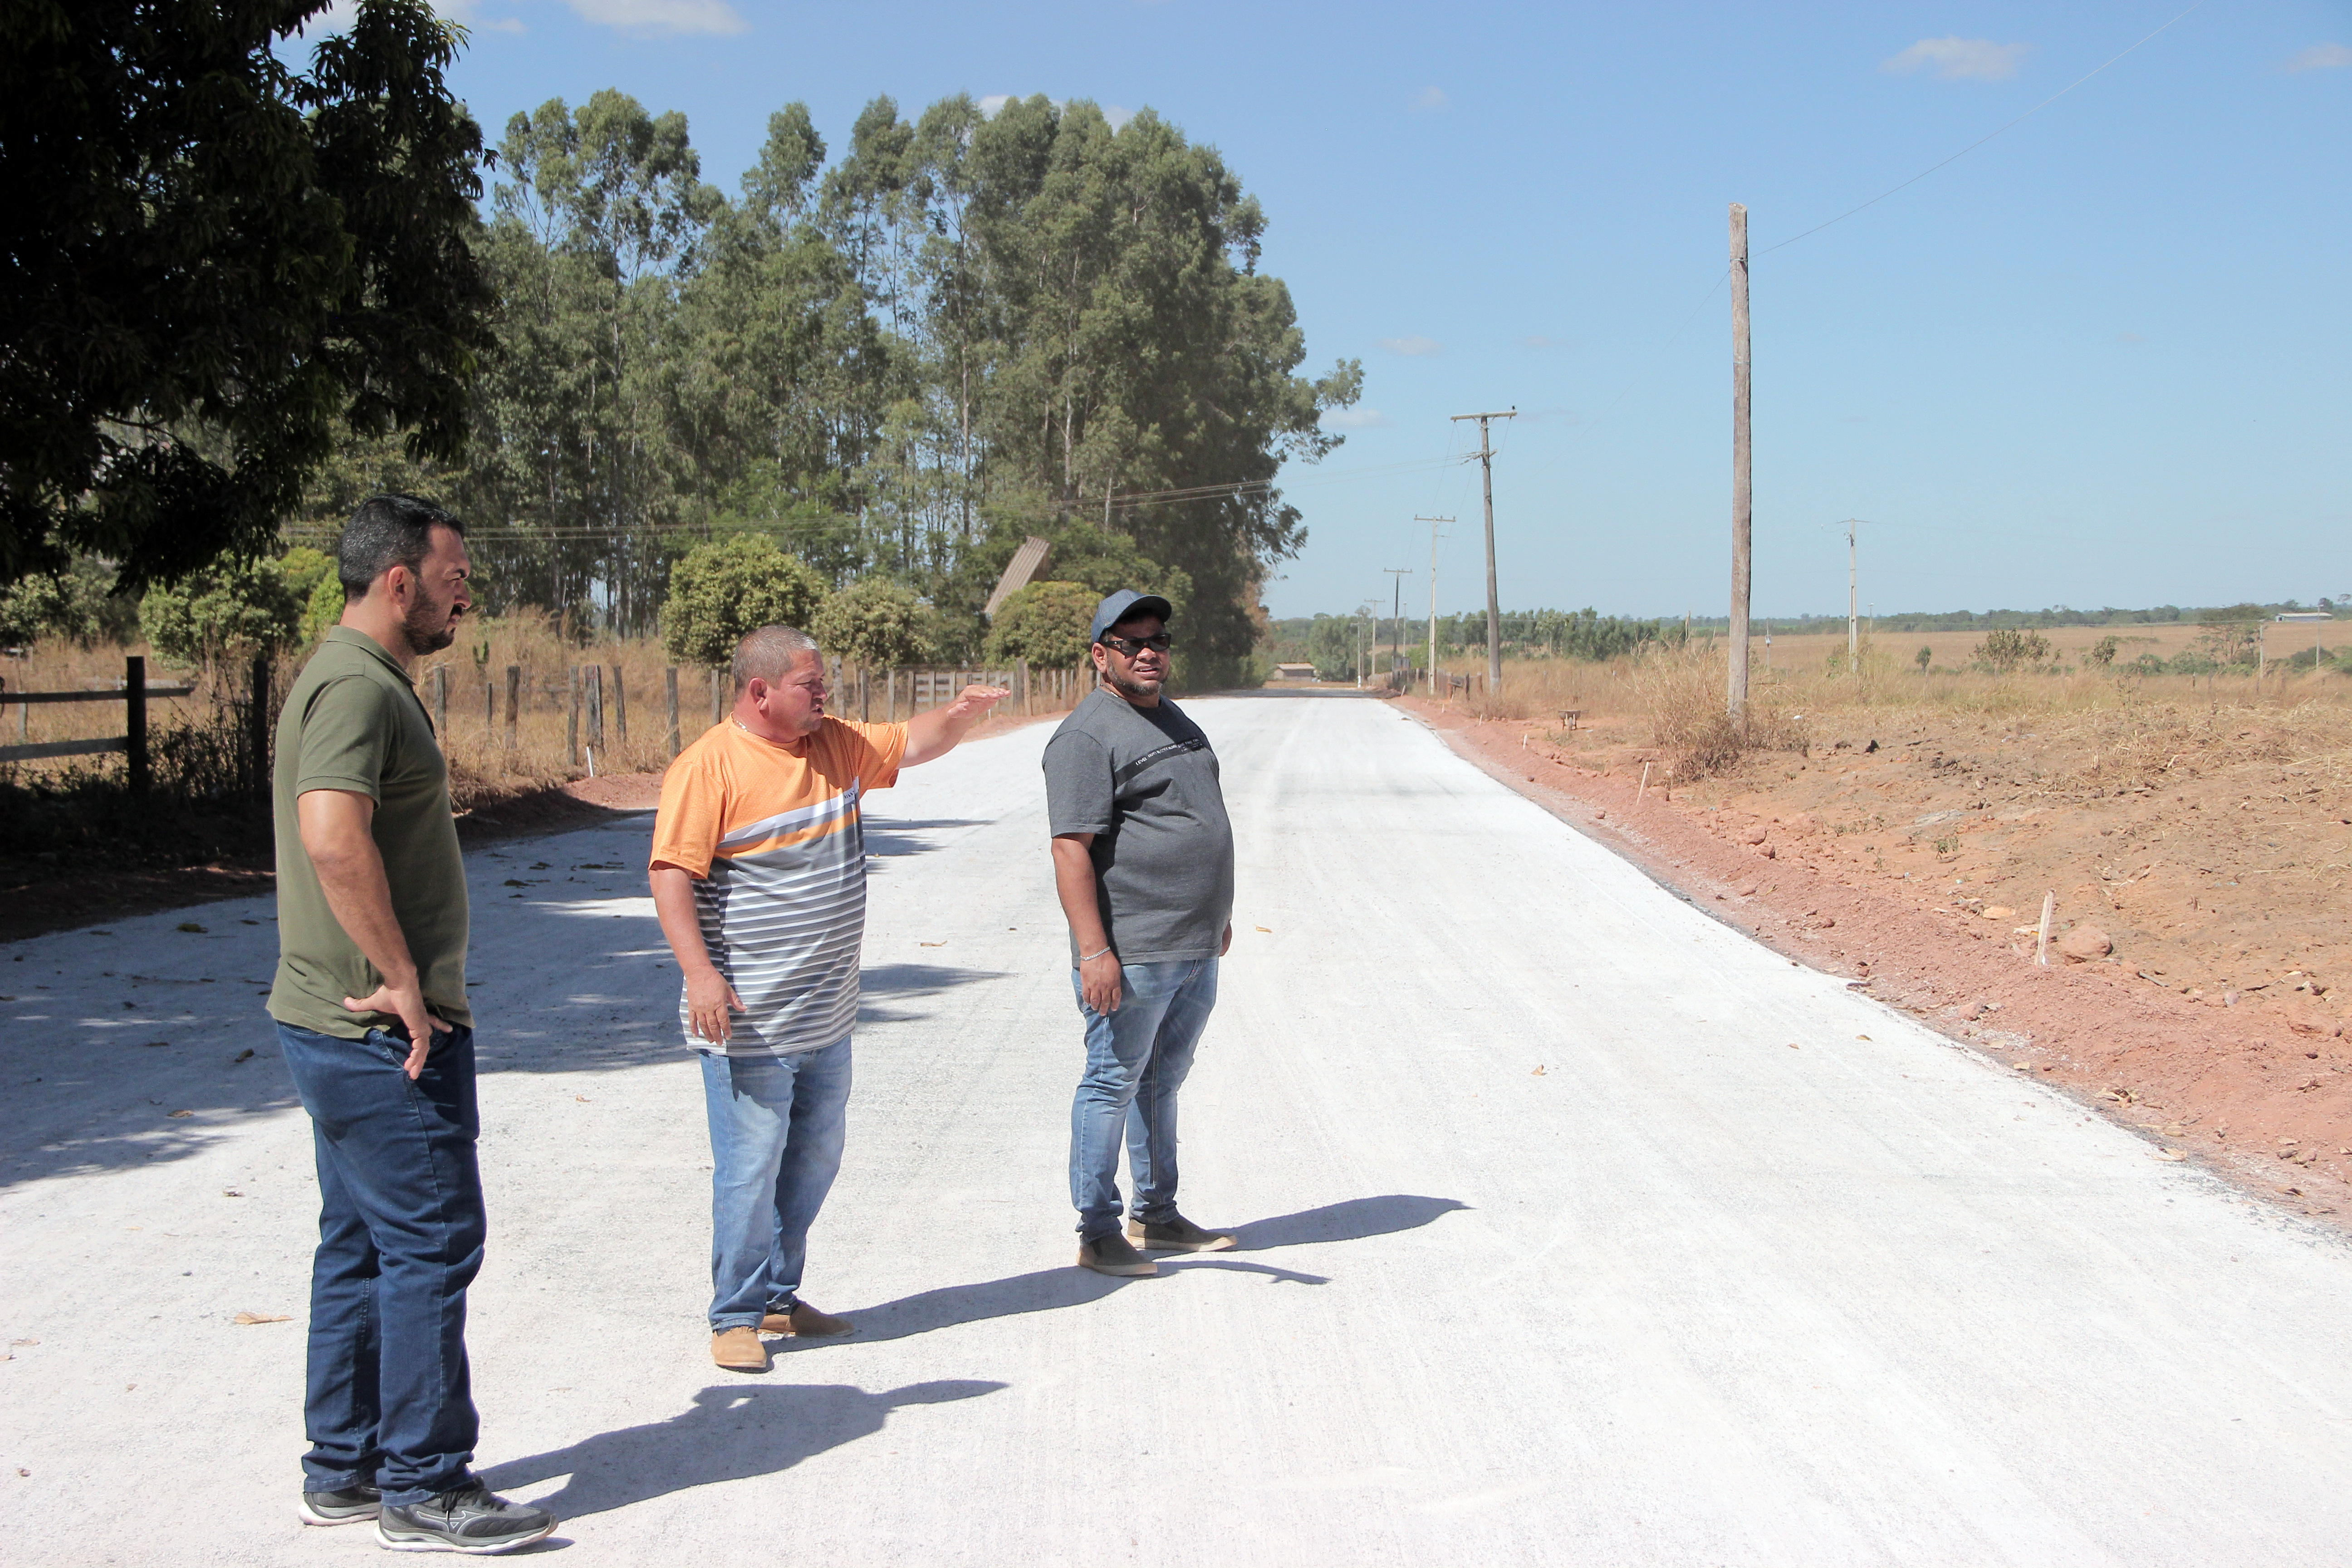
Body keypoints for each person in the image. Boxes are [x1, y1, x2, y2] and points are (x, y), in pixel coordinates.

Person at [269, 495, 555, 1553]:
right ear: (400, 581)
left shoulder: (353, 679)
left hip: (332, 1026)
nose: (464, 593)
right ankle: (426, 1484)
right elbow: (333, 835)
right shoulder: (356, 689)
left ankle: (343, 1468)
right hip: (382, 1032)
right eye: (452, 576)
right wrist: (401, 979)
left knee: (362, 1244)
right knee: (432, 1242)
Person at [650, 626, 1007, 1372]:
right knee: (750, 1166)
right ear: (761, 693)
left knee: (813, 1157)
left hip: (829, 1013)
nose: (825, 697)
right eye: (811, 686)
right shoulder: (708, 767)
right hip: (750, 1017)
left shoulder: (835, 744)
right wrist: (700, 975)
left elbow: (913, 741)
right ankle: (735, 1316)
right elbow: (670, 875)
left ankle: (780, 1297)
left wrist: (964, 714)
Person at [1044, 590, 1238, 1278]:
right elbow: (1072, 850)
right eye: (1131, 643)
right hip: (1133, 954)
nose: (1149, 651)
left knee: (1163, 1081)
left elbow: (1198, 816)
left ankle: (1157, 1216)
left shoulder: (1172, 719)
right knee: (1112, 1082)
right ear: (1101, 656)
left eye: (1157, 639)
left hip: (1191, 946)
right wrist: (1095, 952)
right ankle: (1098, 1231)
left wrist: (1215, 915)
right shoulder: (1086, 736)